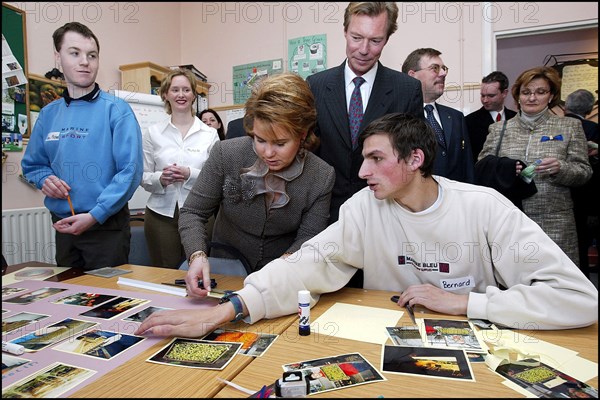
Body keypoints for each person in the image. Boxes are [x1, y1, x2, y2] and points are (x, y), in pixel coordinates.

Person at [135, 113, 597, 340]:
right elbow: (306, 265)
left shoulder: (485, 208)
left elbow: (578, 299)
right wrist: (226, 310)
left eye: (376, 159)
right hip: (384, 348)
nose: (362, 172)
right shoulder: (364, 207)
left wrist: (465, 302)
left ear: (415, 159)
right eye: (363, 159)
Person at [177, 72, 335, 283]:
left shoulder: (321, 176)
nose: (268, 153)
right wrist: (197, 255)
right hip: (224, 270)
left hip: (282, 275)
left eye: (280, 143)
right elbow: (193, 211)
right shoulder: (226, 153)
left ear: (303, 135)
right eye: (260, 140)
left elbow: (308, 237)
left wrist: (283, 269)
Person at [21, 22, 142, 270]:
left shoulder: (117, 110)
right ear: (58, 57)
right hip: (64, 225)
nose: (85, 61)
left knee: (107, 304)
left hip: (106, 226)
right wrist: (45, 179)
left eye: (92, 55)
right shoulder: (48, 114)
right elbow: (33, 165)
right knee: (67, 298)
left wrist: (96, 214)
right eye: (75, 53)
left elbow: (129, 172)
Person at [305, 2, 423, 225]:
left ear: (386, 39)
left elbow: (414, 158)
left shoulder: (407, 89)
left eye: (375, 40)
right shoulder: (316, 85)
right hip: (326, 214)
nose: (363, 49)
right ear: (345, 32)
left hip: (387, 213)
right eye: (356, 37)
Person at [478, 66, 592, 266]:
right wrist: (506, 169)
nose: (532, 98)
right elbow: (482, 166)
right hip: (510, 219)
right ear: (517, 96)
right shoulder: (499, 129)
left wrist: (560, 168)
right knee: (514, 278)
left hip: (555, 221)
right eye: (526, 92)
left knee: (558, 281)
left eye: (540, 92)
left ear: (551, 96)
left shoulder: (569, 127)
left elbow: (584, 171)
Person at [141, 69, 220, 268]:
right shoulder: (152, 133)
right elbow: (143, 176)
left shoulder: (209, 134)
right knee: (165, 274)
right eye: (175, 90)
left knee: (199, 271)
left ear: (194, 95)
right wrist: (161, 179)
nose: (181, 95)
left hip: (200, 214)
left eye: (186, 90)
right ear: (165, 94)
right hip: (160, 215)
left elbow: (218, 178)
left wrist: (189, 174)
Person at [402, 47, 474, 183]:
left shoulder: (456, 117)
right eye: (434, 68)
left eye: (444, 68)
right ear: (412, 76)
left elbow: (467, 168)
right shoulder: (399, 117)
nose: (443, 73)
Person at [564, 88, 599, 278]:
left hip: (560, 194)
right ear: (589, 108)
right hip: (586, 196)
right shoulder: (592, 129)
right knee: (582, 245)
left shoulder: (560, 127)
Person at [465, 71, 517, 160]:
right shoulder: (469, 121)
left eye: (491, 96)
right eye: (482, 95)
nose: (485, 100)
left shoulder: (516, 118)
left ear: (504, 93)